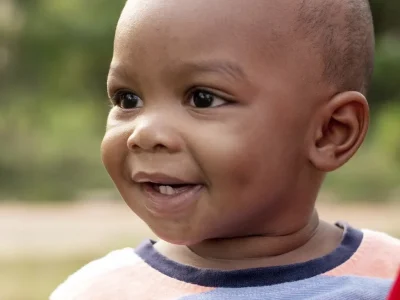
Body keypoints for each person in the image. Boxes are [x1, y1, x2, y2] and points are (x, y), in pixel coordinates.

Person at [50, 0, 400, 299]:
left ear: (330, 132)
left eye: (203, 98)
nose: (145, 133)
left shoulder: (386, 279)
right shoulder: (98, 292)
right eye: (128, 99)